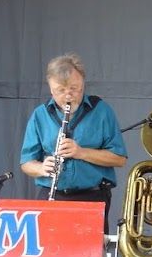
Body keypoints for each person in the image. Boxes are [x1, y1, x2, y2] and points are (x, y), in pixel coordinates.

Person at [20, 53, 127, 232]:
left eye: (74, 88)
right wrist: (41, 168)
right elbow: (26, 162)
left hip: (91, 197)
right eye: (61, 90)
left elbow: (119, 158)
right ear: (51, 88)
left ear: (83, 83)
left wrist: (81, 152)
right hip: (50, 196)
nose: (68, 95)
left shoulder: (101, 111)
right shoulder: (40, 115)